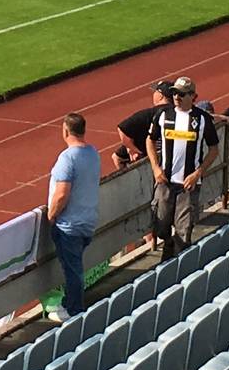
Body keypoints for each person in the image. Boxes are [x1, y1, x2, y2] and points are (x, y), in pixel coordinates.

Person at [144, 77, 217, 255]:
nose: (177, 97)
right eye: (174, 93)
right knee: (160, 226)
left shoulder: (202, 119)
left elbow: (214, 149)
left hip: (188, 185)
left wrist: (197, 174)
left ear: (193, 96)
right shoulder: (163, 115)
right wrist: (155, 168)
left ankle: (175, 266)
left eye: (182, 94)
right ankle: (168, 244)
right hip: (165, 181)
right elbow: (150, 140)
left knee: (184, 232)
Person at [43, 114, 103, 319]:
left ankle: (74, 310)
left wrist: (51, 215)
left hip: (70, 224)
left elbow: (61, 194)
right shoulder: (93, 153)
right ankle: (70, 303)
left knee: (73, 269)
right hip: (88, 219)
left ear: (66, 131)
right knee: (74, 266)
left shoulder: (67, 158)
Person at [112, 82, 169, 173]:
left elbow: (122, 129)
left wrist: (135, 150)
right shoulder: (179, 111)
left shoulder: (148, 114)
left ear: (161, 96)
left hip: (152, 162)